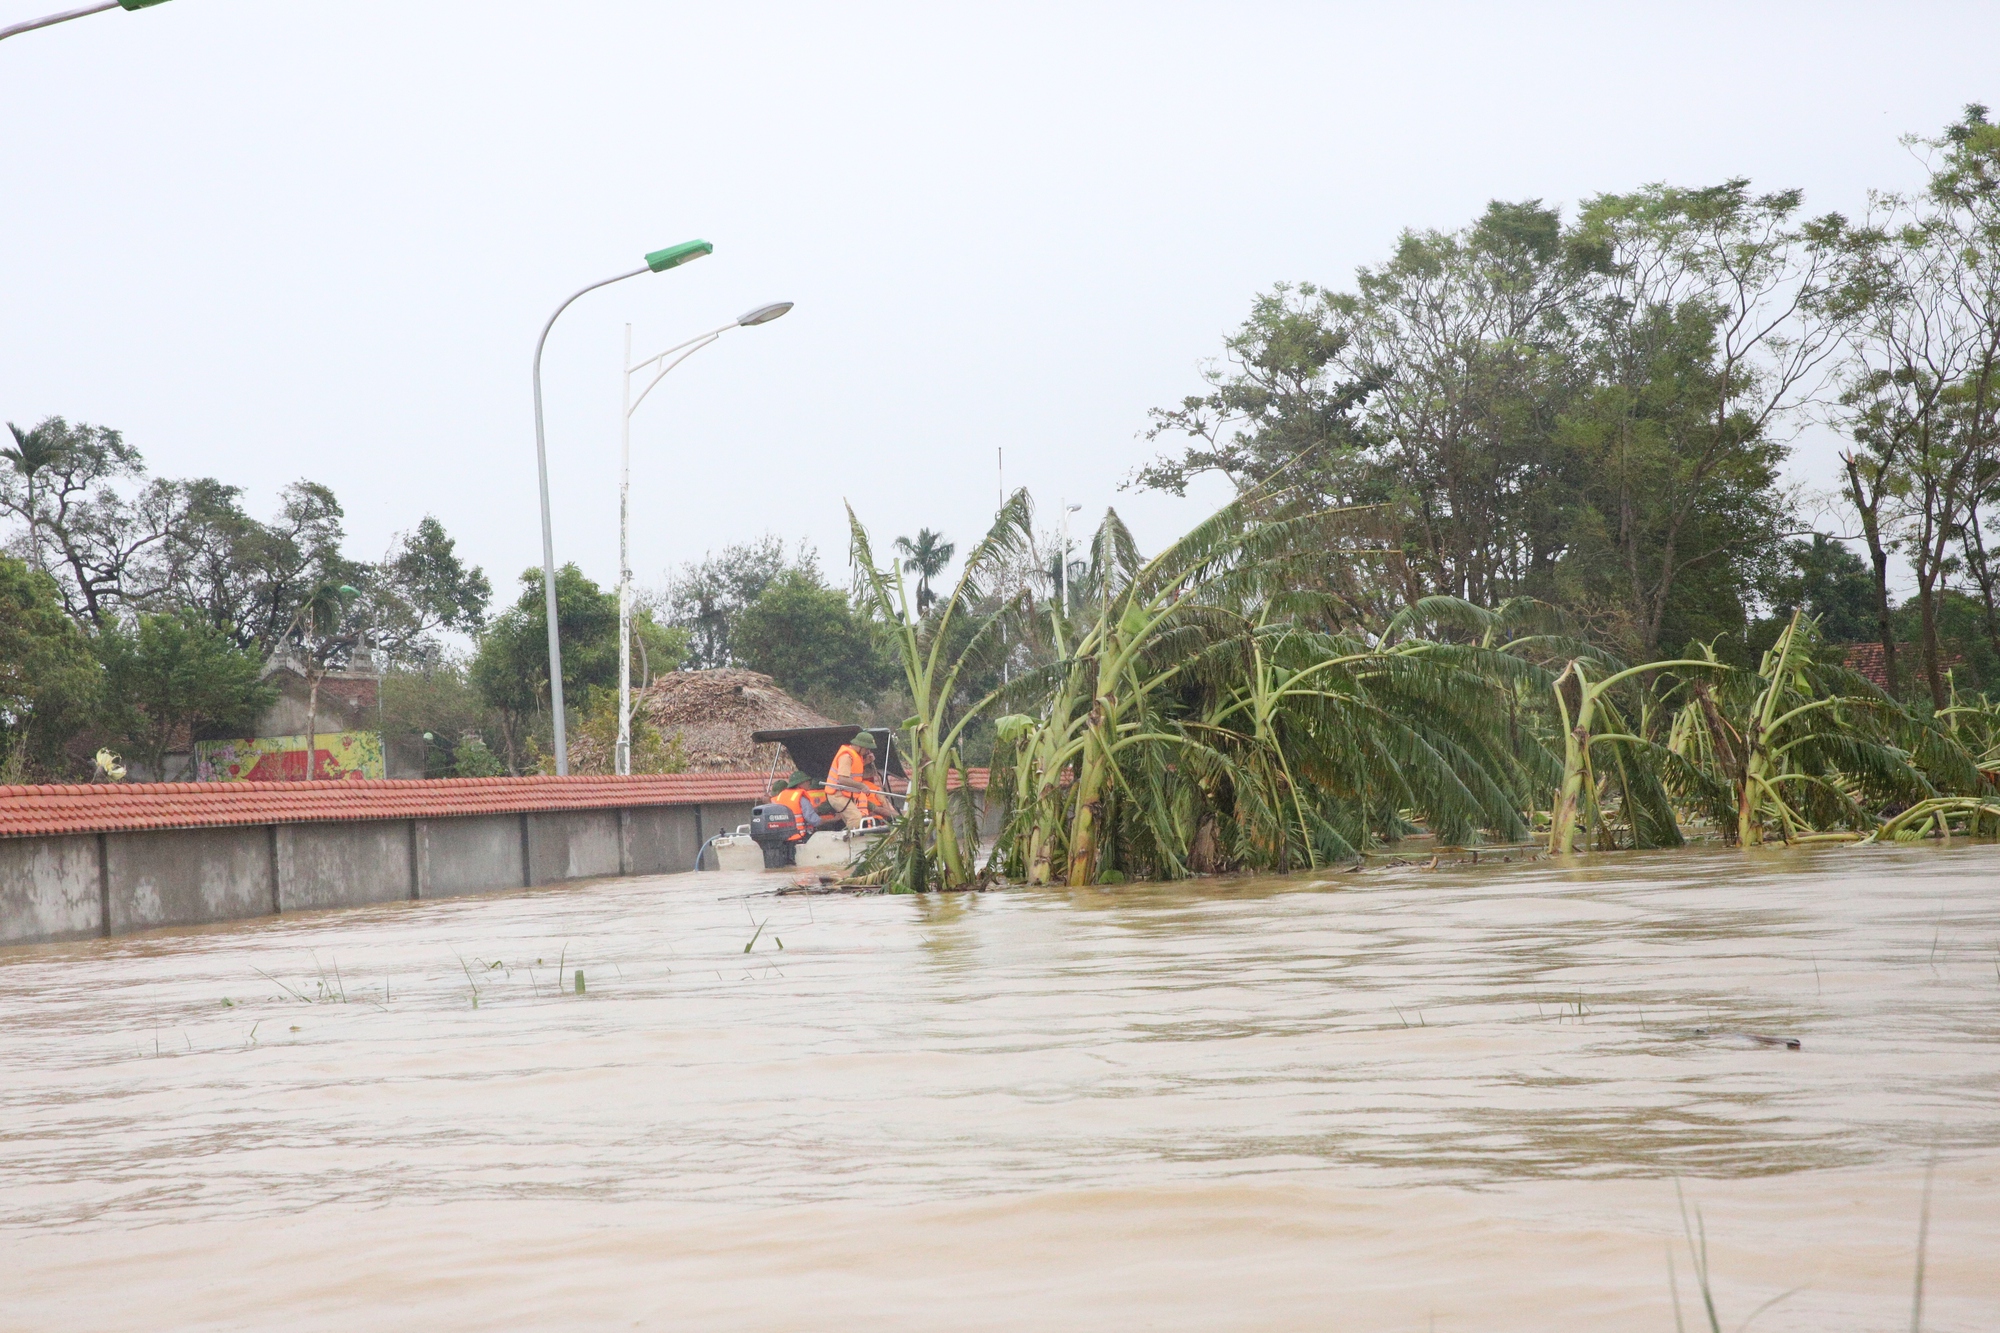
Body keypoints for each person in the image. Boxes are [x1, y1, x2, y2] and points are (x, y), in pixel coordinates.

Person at [824, 731, 893, 829]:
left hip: (844, 794)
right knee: (855, 817)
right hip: (837, 794)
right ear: (861, 746)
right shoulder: (846, 757)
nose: (868, 751)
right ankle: (850, 840)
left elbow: (853, 771)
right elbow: (843, 779)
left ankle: (848, 836)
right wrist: (861, 786)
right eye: (867, 749)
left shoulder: (855, 756)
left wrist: (867, 762)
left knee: (851, 821)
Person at [769, 771, 824, 843]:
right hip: (800, 837)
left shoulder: (781, 796)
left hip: (784, 838)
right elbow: (815, 821)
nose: (809, 783)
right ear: (800, 784)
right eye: (807, 781)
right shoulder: (801, 798)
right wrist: (834, 819)